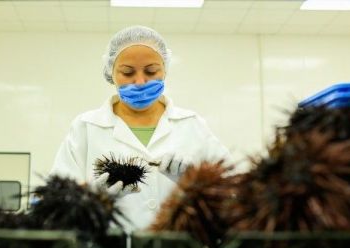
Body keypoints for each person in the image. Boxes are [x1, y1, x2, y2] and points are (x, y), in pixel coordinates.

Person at [50, 25, 229, 232]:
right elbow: (54, 206)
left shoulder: (192, 125)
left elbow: (234, 196)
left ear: (165, 70)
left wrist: (197, 184)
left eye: (151, 71)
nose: (140, 81)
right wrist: (89, 197)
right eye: (127, 72)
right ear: (111, 73)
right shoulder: (86, 128)